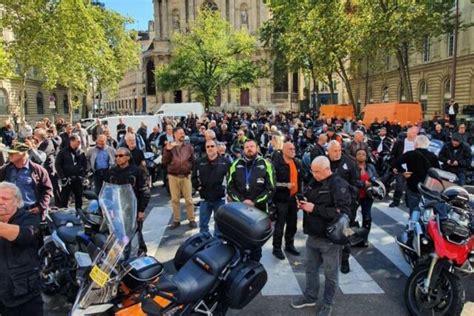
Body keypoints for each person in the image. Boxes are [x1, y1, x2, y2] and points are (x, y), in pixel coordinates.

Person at [290, 156, 350, 316]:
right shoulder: (314, 180)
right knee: (310, 269)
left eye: (316, 171)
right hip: (312, 235)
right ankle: (310, 296)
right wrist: (302, 202)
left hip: (330, 239)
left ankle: (327, 304)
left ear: (326, 169)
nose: (313, 174)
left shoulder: (338, 184)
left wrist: (314, 208)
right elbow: (309, 197)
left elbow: (343, 212)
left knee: (330, 274)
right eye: (312, 171)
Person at [227, 139, 275, 260]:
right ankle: (239, 264)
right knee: (240, 238)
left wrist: (254, 202)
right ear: (243, 149)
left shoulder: (266, 164)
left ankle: (254, 264)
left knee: (255, 242)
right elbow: (230, 187)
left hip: (259, 210)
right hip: (240, 209)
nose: (249, 149)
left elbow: (271, 188)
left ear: (257, 148)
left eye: (252, 146)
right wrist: (243, 202)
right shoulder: (235, 164)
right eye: (247, 147)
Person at [0, 182, 43, 316]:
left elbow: (23, 235)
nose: (0, 202)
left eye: (5, 199)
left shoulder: (30, 218)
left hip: (24, 295)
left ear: (17, 201)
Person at [327, 140, 362, 274]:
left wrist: (347, 193)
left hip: (347, 205)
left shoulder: (350, 162)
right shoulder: (325, 162)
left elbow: (357, 183)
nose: (337, 153)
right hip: (329, 205)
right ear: (328, 151)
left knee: (346, 231)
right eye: (334, 151)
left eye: (339, 150)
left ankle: (345, 258)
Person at [106, 147, 150, 253]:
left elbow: (144, 191)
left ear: (128, 157)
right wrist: (108, 209)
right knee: (120, 233)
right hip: (117, 209)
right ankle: (124, 254)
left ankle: (141, 252)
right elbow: (107, 192)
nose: (118, 158)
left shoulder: (137, 171)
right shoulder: (112, 172)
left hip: (133, 209)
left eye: (120, 156)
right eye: (116, 156)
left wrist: (141, 210)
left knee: (136, 232)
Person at [0, 143, 53, 216]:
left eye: (13, 153)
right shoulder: (5, 169)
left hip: (31, 212)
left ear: (23, 154)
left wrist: (40, 207)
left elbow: (47, 190)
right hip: (10, 213)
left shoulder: (38, 170)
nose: (9, 155)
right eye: (9, 152)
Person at [271, 142, 303, 260]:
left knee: (292, 224)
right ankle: (277, 248)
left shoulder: (297, 163)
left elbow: (300, 181)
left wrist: (300, 195)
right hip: (280, 200)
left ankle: (289, 245)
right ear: (284, 150)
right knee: (279, 225)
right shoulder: (276, 164)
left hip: (292, 199)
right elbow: (272, 183)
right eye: (290, 149)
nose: (293, 150)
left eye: (294, 148)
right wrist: (285, 185)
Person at [394, 135, 439, 215]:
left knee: (414, 208)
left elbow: (396, 162)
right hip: (427, 186)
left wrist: (403, 171)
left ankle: (413, 224)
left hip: (413, 184)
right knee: (427, 209)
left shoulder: (410, 154)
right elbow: (437, 171)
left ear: (416, 144)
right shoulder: (433, 156)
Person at [192, 139, 229, 233]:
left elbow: (231, 178)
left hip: (219, 198)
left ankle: (217, 243)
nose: (210, 148)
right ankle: (204, 242)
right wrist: (198, 187)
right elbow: (194, 177)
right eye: (207, 147)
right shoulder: (199, 162)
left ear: (216, 148)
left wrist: (227, 191)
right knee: (203, 225)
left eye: (212, 146)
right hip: (205, 198)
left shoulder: (225, 162)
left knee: (219, 225)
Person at [162, 127, 196, 229]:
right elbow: (164, 162)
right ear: (175, 134)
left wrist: (192, 172)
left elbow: (193, 160)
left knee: (189, 199)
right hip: (173, 176)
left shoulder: (189, 147)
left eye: (183, 133)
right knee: (175, 200)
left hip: (186, 176)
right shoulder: (169, 146)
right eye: (180, 133)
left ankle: (191, 219)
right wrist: (168, 150)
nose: (182, 135)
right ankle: (176, 220)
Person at [55, 135, 87, 209]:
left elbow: (84, 165)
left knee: (79, 198)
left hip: (78, 179)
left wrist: (82, 175)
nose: (79, 143)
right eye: (77, 141)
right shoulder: (63, 152)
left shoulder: (81, 152)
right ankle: (63, 214)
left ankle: (79, 214)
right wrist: (62, 177)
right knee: (64, 199)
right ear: (71, 141)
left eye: (80, 141)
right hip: (67, 179)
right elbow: (57, 164)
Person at [389, 127, 417, 207]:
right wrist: (394, 167)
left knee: (410, 187)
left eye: (415, 133)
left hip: (412, 169)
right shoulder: (399, 143)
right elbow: (393, 155)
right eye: (413, 133)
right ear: (408, 133)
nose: (414, 135)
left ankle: (408, 202)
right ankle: (395, 201)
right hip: (400, 168)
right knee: (399, 186)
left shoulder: (417, 143)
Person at [355, 148, 377, 247]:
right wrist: (363, 184)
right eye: (358, 154)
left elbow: (376, 178)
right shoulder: (353, 167)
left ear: (366, 156)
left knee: (367, 217)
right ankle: (351, 237)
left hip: (368, 196)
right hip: (354, 196)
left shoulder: (370, 167)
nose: (361, 155)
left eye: (363, 154)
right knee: (350, 217)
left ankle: (364, 238)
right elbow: (351, 180)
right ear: (355, 156)